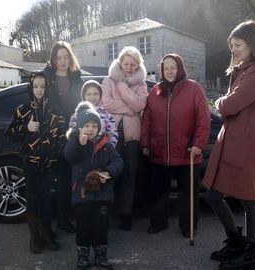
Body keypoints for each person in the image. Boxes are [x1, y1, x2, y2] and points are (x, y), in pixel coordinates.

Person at [202, 20, 255, 270]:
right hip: (230, 143)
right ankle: (235, 240)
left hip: (245, 147)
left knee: (248, 199)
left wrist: (220, 101)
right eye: (231, 45)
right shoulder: (243, 71)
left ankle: (250, 254)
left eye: (238, 44)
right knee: (212, 194)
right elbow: (229, 108)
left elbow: (228, 106)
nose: (233, 49)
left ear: (252, 44)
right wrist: (225, 103)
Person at [140, 53, 211, 237]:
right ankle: (158, 222)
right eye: (166, 68)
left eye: (173, 67)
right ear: (162, 70)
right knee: (159, 191)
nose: (170, 71)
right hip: (159, 151)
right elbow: (147, 119)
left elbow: (203, 120)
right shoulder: (155, 91)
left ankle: (188, 227)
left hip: (187, 152)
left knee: (188, 194)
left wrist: (198, 144)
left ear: (180, 68)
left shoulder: (194, 89)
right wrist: (145, 142)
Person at [5, 71, 64, 254]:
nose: (39, 90)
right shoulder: (22, 109)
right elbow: (10, 134)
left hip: (49, 163)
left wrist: (55, 153)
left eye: (42, 86)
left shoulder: (54, 109)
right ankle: (34, 237)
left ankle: (46, 233)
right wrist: (26, 127)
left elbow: (62, 135)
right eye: (36, 86)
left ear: (47, 88)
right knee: (32, 199)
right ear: (31, 87)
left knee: (46, 200)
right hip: (29, 163)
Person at [64, 101, 123, 270]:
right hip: (81, 195)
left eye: (94, 126)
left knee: (101, 227)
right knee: (83, 226)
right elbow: (69, 157)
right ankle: (82, 256)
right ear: (80, 128)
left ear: (99, 128)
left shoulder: (107, 145)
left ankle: (100, 255)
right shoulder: (75, 143)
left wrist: (109, 172)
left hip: (102, 194)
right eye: (86, 126)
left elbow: (118, 161)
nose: (90, 129)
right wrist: (79, 144)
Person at [101, 46, 149, 231]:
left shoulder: (141, 84)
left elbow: (140, 104)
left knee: (129, 176)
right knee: (110, 174)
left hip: (132, 138)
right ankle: (106, 212)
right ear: (120, 62)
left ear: (138, 66)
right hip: (111, 136)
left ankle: (125, 214)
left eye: (133, 64)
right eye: (126, 63)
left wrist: (122, 88)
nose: (129, 67)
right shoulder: (109, 80)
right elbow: (106, 103)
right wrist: (130, 109)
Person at [43, 41, 84, 233]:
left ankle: (66, 217)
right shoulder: (46, 78)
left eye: (66, 57)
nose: (62, 61)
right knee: (57, 179)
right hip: (53, 134)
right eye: (58, 57)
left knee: (70, 178)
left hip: (73, 134)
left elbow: (84, 105)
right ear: (53, 59)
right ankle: (58, 220)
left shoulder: (77, 78)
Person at [69, 80, 118, 147]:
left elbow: (112, 133)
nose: (92, 97)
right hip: (83, 150)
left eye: (95, 94)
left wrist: (109, 148)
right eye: (88, 94)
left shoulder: (107, 115)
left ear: (100, 95)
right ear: (83, 96)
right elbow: (73, 134)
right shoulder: (77, 115)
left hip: (102, 150)